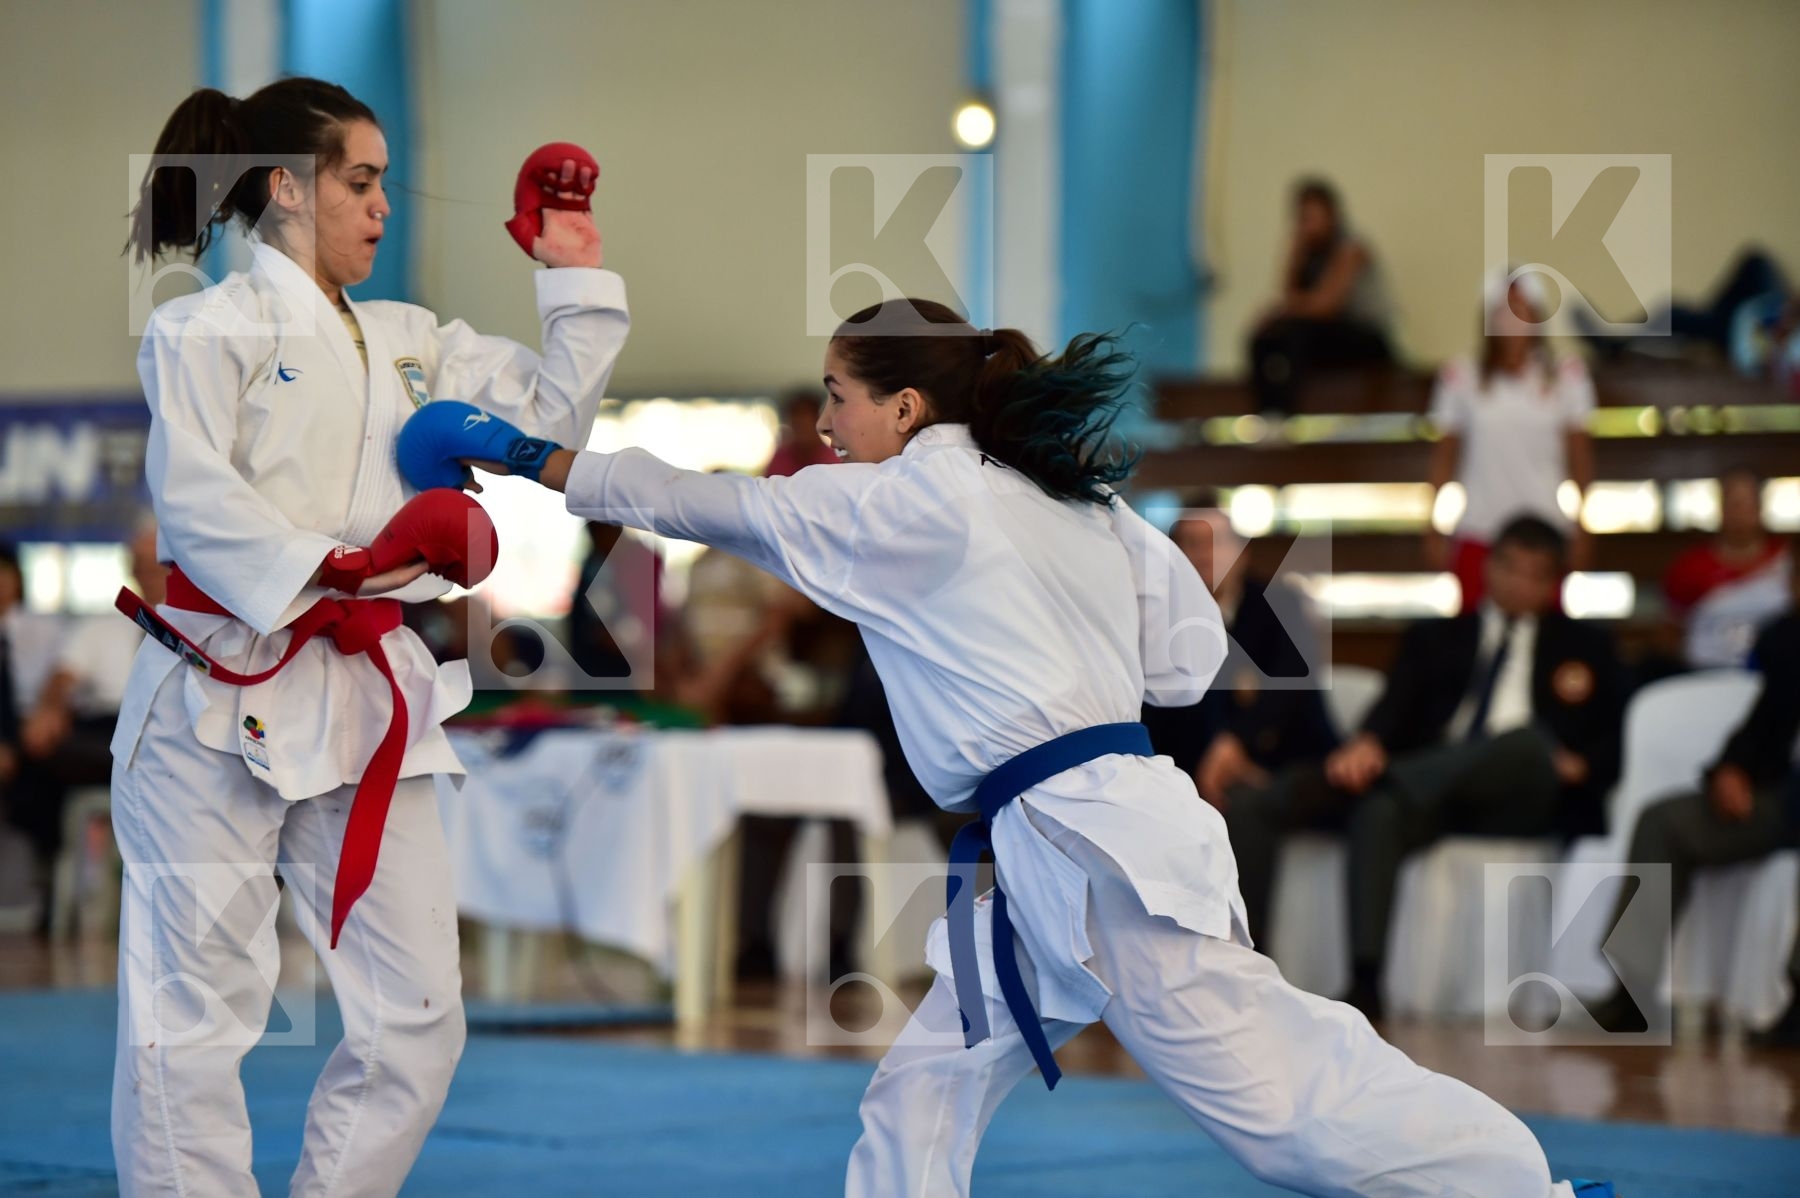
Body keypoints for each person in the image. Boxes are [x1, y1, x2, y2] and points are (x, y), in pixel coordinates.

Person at [398, 300, 1613, 1197]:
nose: (822, 424)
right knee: (933, 1072)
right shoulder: (1075, 500)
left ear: (906, 408)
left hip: (1091, 850)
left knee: (1277, 1100)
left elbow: (701, 503)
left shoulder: (904, 501)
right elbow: (1187, 666)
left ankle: (1523, 1191)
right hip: (1080, 828)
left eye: (837, 396)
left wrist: (526, 458)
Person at [116, 78, 627, 1198]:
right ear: (288, 190)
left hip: (365, 688)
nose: (382, 206)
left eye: (384, 182)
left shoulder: (411, 339)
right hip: (217, 687)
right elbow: (196, 503)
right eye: (361, 180)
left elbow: (549, 419)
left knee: (418, 1019)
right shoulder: (201, 327)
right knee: (192, 1012)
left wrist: (571, 273)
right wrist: (345, 565)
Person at [1228, 517, 1624, 1011]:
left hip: (1523, 795)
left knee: (1522, 743)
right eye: (1510, 568)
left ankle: (1390, 781)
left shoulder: (1587, 646)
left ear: (1552, 582)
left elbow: (1613, 744)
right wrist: (1369, 741)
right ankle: (1365, 984)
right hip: (1432, 792)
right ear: (1490, 568)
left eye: (1534, 574)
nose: (1519, 583)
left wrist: (1581, 766)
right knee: (1378, 812)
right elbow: (1394, 708)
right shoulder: (1438, 636)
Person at [1591, 555, 1800, 1041]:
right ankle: (1631, 989)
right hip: (1777, 802)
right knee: (1664, 820)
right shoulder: (1788, 640)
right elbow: (1761, 725)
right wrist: (1728, 771)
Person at [1137, 499, 1337, 802]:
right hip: (1191, 770)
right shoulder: (1161, 620)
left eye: (1215, 543)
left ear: (1242, 553)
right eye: (1191, 544)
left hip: (1288, 760)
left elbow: (1288, 687)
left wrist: (1234, 745)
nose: (1204, 555)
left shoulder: (1280, 604)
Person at [1427, 273, 1595, 612]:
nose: (1513, 321)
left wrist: (1583, 525)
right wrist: (1432, 524)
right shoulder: (1461, 376)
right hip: (1480, 530)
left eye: (1521, 309)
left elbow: (1580, 459)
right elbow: (1444, 458)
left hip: (1544, 530)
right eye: (1503, 311)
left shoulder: (1566, 375)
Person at [1247, 178, 1393, 415]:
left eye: (1314, 216)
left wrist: (1282, 310)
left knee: (1295, 332)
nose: (1309, 225)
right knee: (1263, 337)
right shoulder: (1308, 253)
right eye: (1303, 218)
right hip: (1327, 338)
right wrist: (1295, 256)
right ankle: (1270, 417)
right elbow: (1290, 297)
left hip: (1368, 340)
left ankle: (1287, 415)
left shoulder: (1351, 248)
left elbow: (1327, 305)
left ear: (1332, 215)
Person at [1663, 469, 1791, 669]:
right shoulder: (1690, 566)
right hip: (1705, 675)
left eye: (1745, 504)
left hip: (1774, 673)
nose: (1738, 512)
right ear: (1720, 508)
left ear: (1760, 507)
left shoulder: (1787, 562)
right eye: (1732, 504)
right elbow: (1671, 628)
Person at [764, 387, 839, 476]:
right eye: (797, 421)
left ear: (817, 420)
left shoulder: (833, 461)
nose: (802, 426)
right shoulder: (780, 459)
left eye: (806, 421)